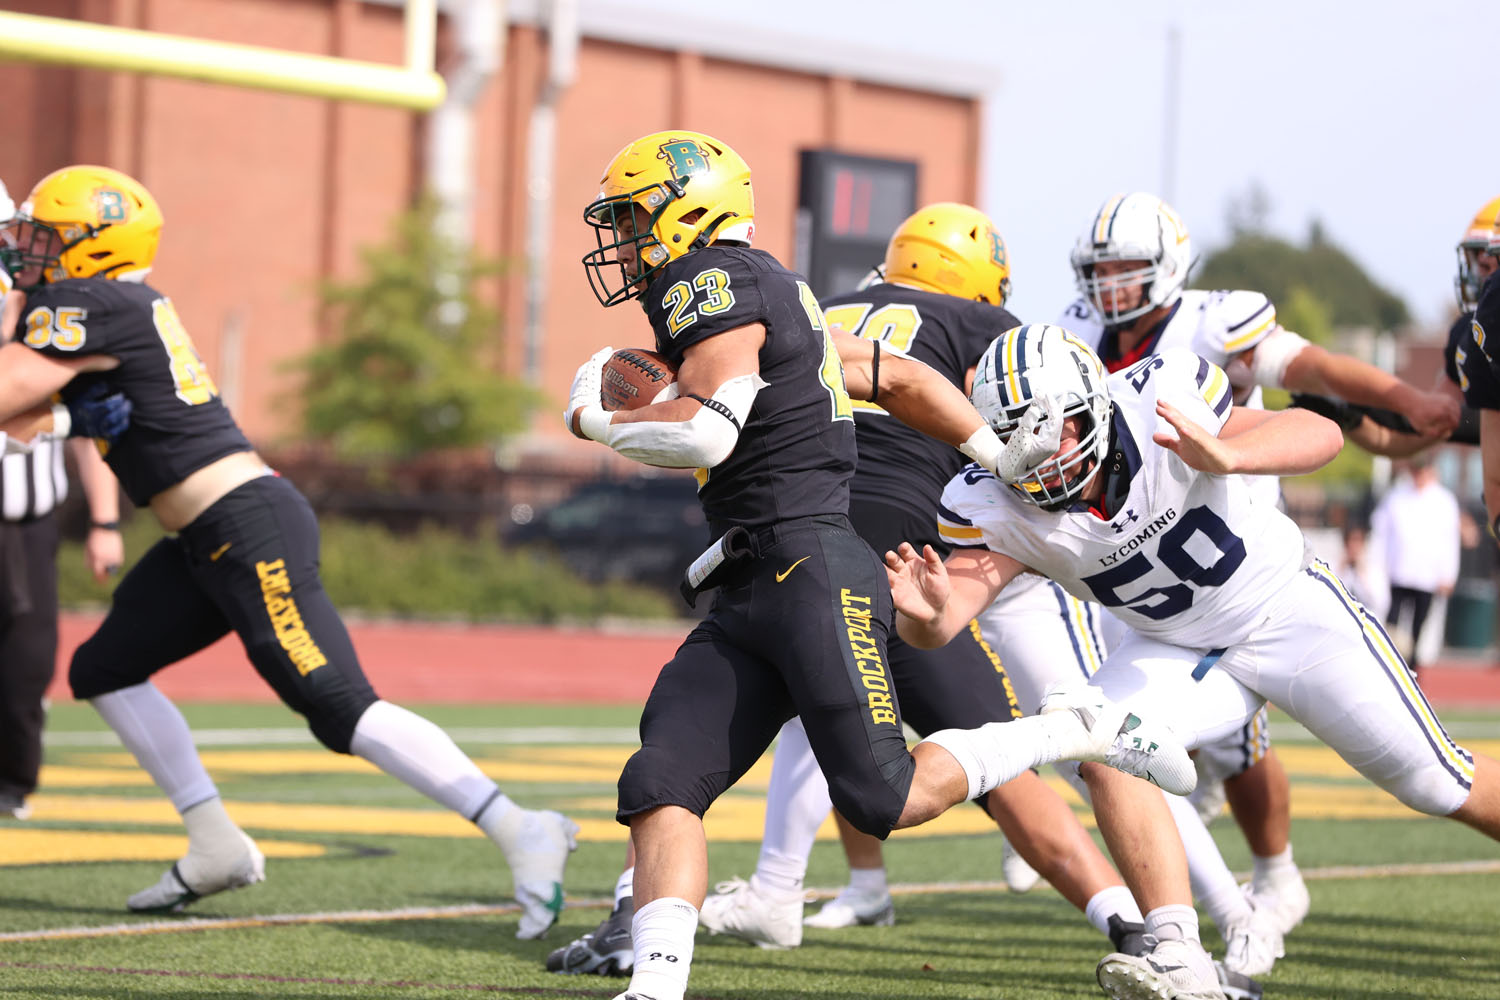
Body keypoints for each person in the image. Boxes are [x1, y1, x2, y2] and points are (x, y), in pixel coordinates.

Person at [564, 131, 1194, 1000]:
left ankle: (1065, 733)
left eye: (635, 217)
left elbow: (708, 428)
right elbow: (893, 377)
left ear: (687, 209)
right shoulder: (776, 294)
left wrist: (596, 420)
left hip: (822, 563)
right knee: (662, 777)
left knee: (881, 797)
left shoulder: (710, 279)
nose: (625, 241)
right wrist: (990, 451)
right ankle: (659, 982)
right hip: (759, 577)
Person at [0, 164, 578, 938]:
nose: (31, 249)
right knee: (103, 669)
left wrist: (49, 400)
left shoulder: (89, 300)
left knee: (338, 707)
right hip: (207, 529)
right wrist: (68, 420)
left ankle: (518, 826)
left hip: (242, 523)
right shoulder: (116, 302)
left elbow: (8, 396)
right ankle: (213, 843)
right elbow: (26, 419)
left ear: (94, 248)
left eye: (49, 236)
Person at [889, 323, 1500, 1000]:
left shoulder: (1159, 396)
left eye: (1053, 429)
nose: (1041, 456)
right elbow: (943, 622)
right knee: (1102, 741)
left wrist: (1229, 455)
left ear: (1091, 401)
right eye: (1015, 439)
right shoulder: (989, 500)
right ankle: (1181, 956)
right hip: (1174, 646)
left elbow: (1320, 433)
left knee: (1439, 783)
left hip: (1287, 612)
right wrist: (927, 617)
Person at [1056, 189, 1462, 942]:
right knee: (1117, 736)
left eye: (1127, 267)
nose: (1110, 284)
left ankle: (1272, 872)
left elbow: (1318, 370)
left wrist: (1407, 398)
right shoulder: (1076, 329)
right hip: (1130, 560)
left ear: (1169, 265)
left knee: (1260, 746)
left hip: (1235, 548)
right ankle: (1196, 909)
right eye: (1099, 269)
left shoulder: (1215, 320)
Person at [0, 176, 130, 821]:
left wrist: (105, 520)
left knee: (27, 663)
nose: (24, 246)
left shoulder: (61, 310)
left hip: (29, 520)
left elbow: (87, 421)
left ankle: (13, 784)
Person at [1370, 457, 1460, 681]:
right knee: (1392, 624)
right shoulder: (1396, 496)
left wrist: (1448, 574)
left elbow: (1450, 540)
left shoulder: (1444, 501)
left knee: (1418, 628)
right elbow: (1381, 532)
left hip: (1426, 576)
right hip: (1399, 572)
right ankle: (1389, 668)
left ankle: (1412, 673)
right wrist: (1378, 564)